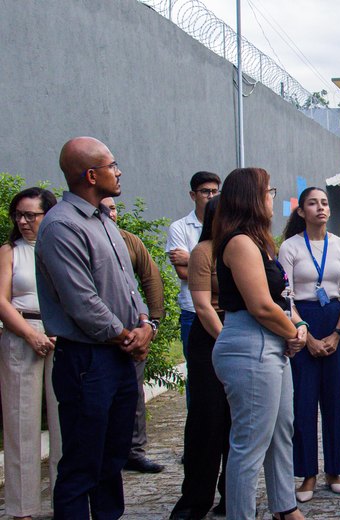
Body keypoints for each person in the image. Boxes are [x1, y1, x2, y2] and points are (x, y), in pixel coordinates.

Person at [36, 136, 155, 518]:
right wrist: (125, 336)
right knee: (83, 463)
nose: (118, 172)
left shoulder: (103, 220)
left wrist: (144, 324)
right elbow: (81, 301)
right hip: (88, 361)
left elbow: (127, 283)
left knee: (112, 459)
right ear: (91, 175)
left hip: (118, 359)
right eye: (112, 165)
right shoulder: (61, 227)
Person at [211, 167, 307, 520]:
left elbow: (280, 298)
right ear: (252, 197)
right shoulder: (239, 243)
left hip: (271, 342)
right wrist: (291, 332)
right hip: (249, 345)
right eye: (269, 191)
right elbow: (261, 306)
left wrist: (299, 326)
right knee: (249, 444)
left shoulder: (262, 243)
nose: (273, 197)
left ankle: (285, 506)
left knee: (282, 429)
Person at [279, 187, 340, 502]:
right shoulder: (290, 247)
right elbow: (285, 297)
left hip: (336, 322)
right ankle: (307, 473)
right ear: (302, 211)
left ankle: (335, 469)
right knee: (304, 403)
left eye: (324, 203)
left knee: (336, 401)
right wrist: (305, 335)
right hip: (302, 324)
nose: (320, 208)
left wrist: (337, 334)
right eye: (313, 203)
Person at [0, 187, 60, 520]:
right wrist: (28, 334)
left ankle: (65, 500)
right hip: (21, 333)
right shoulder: (9, 251)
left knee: (64, 421)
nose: (24, 222)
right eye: (18, 215)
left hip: (60, 335)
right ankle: (22, 508)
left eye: (31, 215)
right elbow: (1, 300)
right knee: (20, 421)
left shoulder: (59, 247)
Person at [170, 196, 229, 519]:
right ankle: (194, 499)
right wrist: (226, 341)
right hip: (209, 337)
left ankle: (231, 494)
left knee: (237, 421)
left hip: (236, 333)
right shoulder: (202, 252)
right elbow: (203, 305)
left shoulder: (247, 248)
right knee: (206, 420)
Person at [102, 197, 166, 474]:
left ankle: (134, 449)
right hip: (97, 332)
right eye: (105, 208)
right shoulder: (82, 238)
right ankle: (105, 452)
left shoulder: (130, 241)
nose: (110, 213)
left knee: (133, 392)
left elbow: (150, 278)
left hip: (134, 330)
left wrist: (152, 322)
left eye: (114, 208)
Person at [166, 171, 220, 400]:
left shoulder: (224, 227)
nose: (210, 196)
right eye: (205, 191)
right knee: (197, 375)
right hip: (192, 311)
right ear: (193, 195)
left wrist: (193, 261)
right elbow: (182, 272)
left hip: (221, 309)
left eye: (215, 191)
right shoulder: (179, 228)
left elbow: (231, 269)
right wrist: (217, 272)